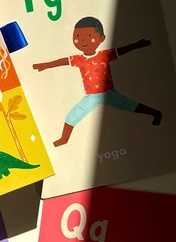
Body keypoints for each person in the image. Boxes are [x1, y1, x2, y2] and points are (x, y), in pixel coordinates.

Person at [32, 16, 162, 146]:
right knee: (72, 116)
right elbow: (63, 61)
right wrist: (46, 65)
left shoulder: (104, 55)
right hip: (91, 97)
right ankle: (64, 139)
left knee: (129, 105)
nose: (83, 40)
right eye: (77, 36)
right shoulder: (78, 59)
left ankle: (155, 113)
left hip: (109, 93)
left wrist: (137, 45)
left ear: (102, 38)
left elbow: (122, 50)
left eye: (89, 36)